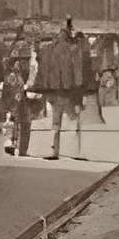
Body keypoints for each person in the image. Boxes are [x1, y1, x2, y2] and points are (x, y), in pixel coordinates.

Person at [40, 18, 94, 160]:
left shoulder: (50, 50)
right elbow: (77, 74)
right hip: (68, 93)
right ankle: (74, 152)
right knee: (73, 120)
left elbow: (45, 71)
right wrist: (80, 91)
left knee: (56, 123)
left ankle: (55, 151)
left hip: (54, 92)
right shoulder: (73, 50)